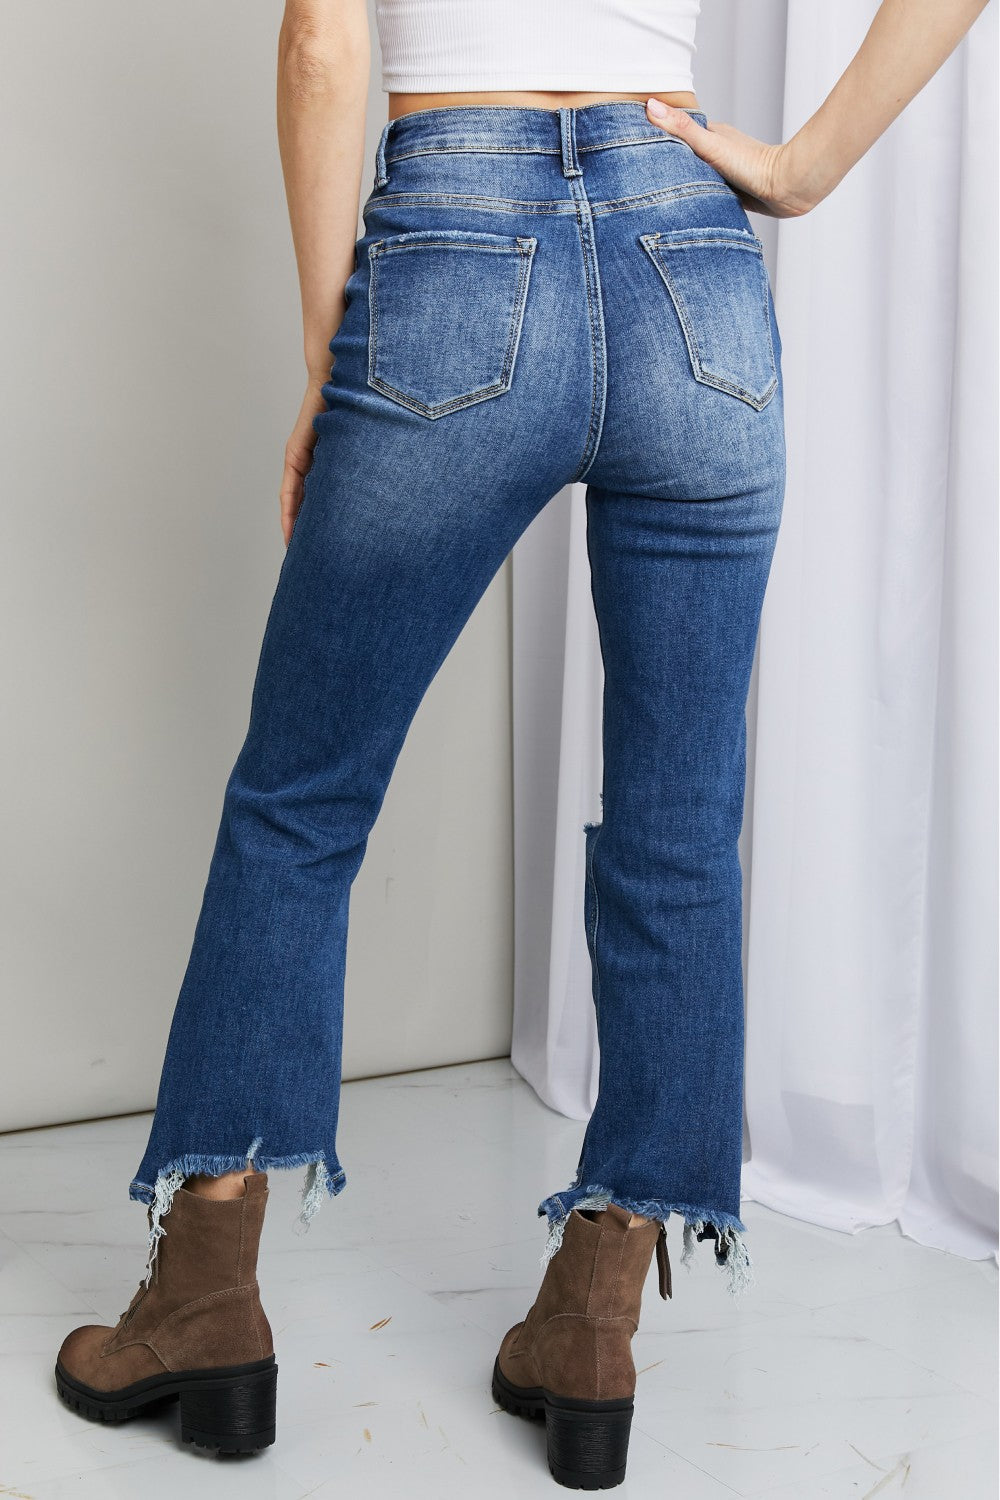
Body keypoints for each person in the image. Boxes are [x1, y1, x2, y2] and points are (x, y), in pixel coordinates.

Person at [52, 0, 989, 1486]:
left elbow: (319, 41)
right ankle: (597, 1319)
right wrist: (804, 169)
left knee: (301, 802)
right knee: (681, 833)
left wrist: (325, 354)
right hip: (693, 254)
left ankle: (205, 1300)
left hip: (454, 245)